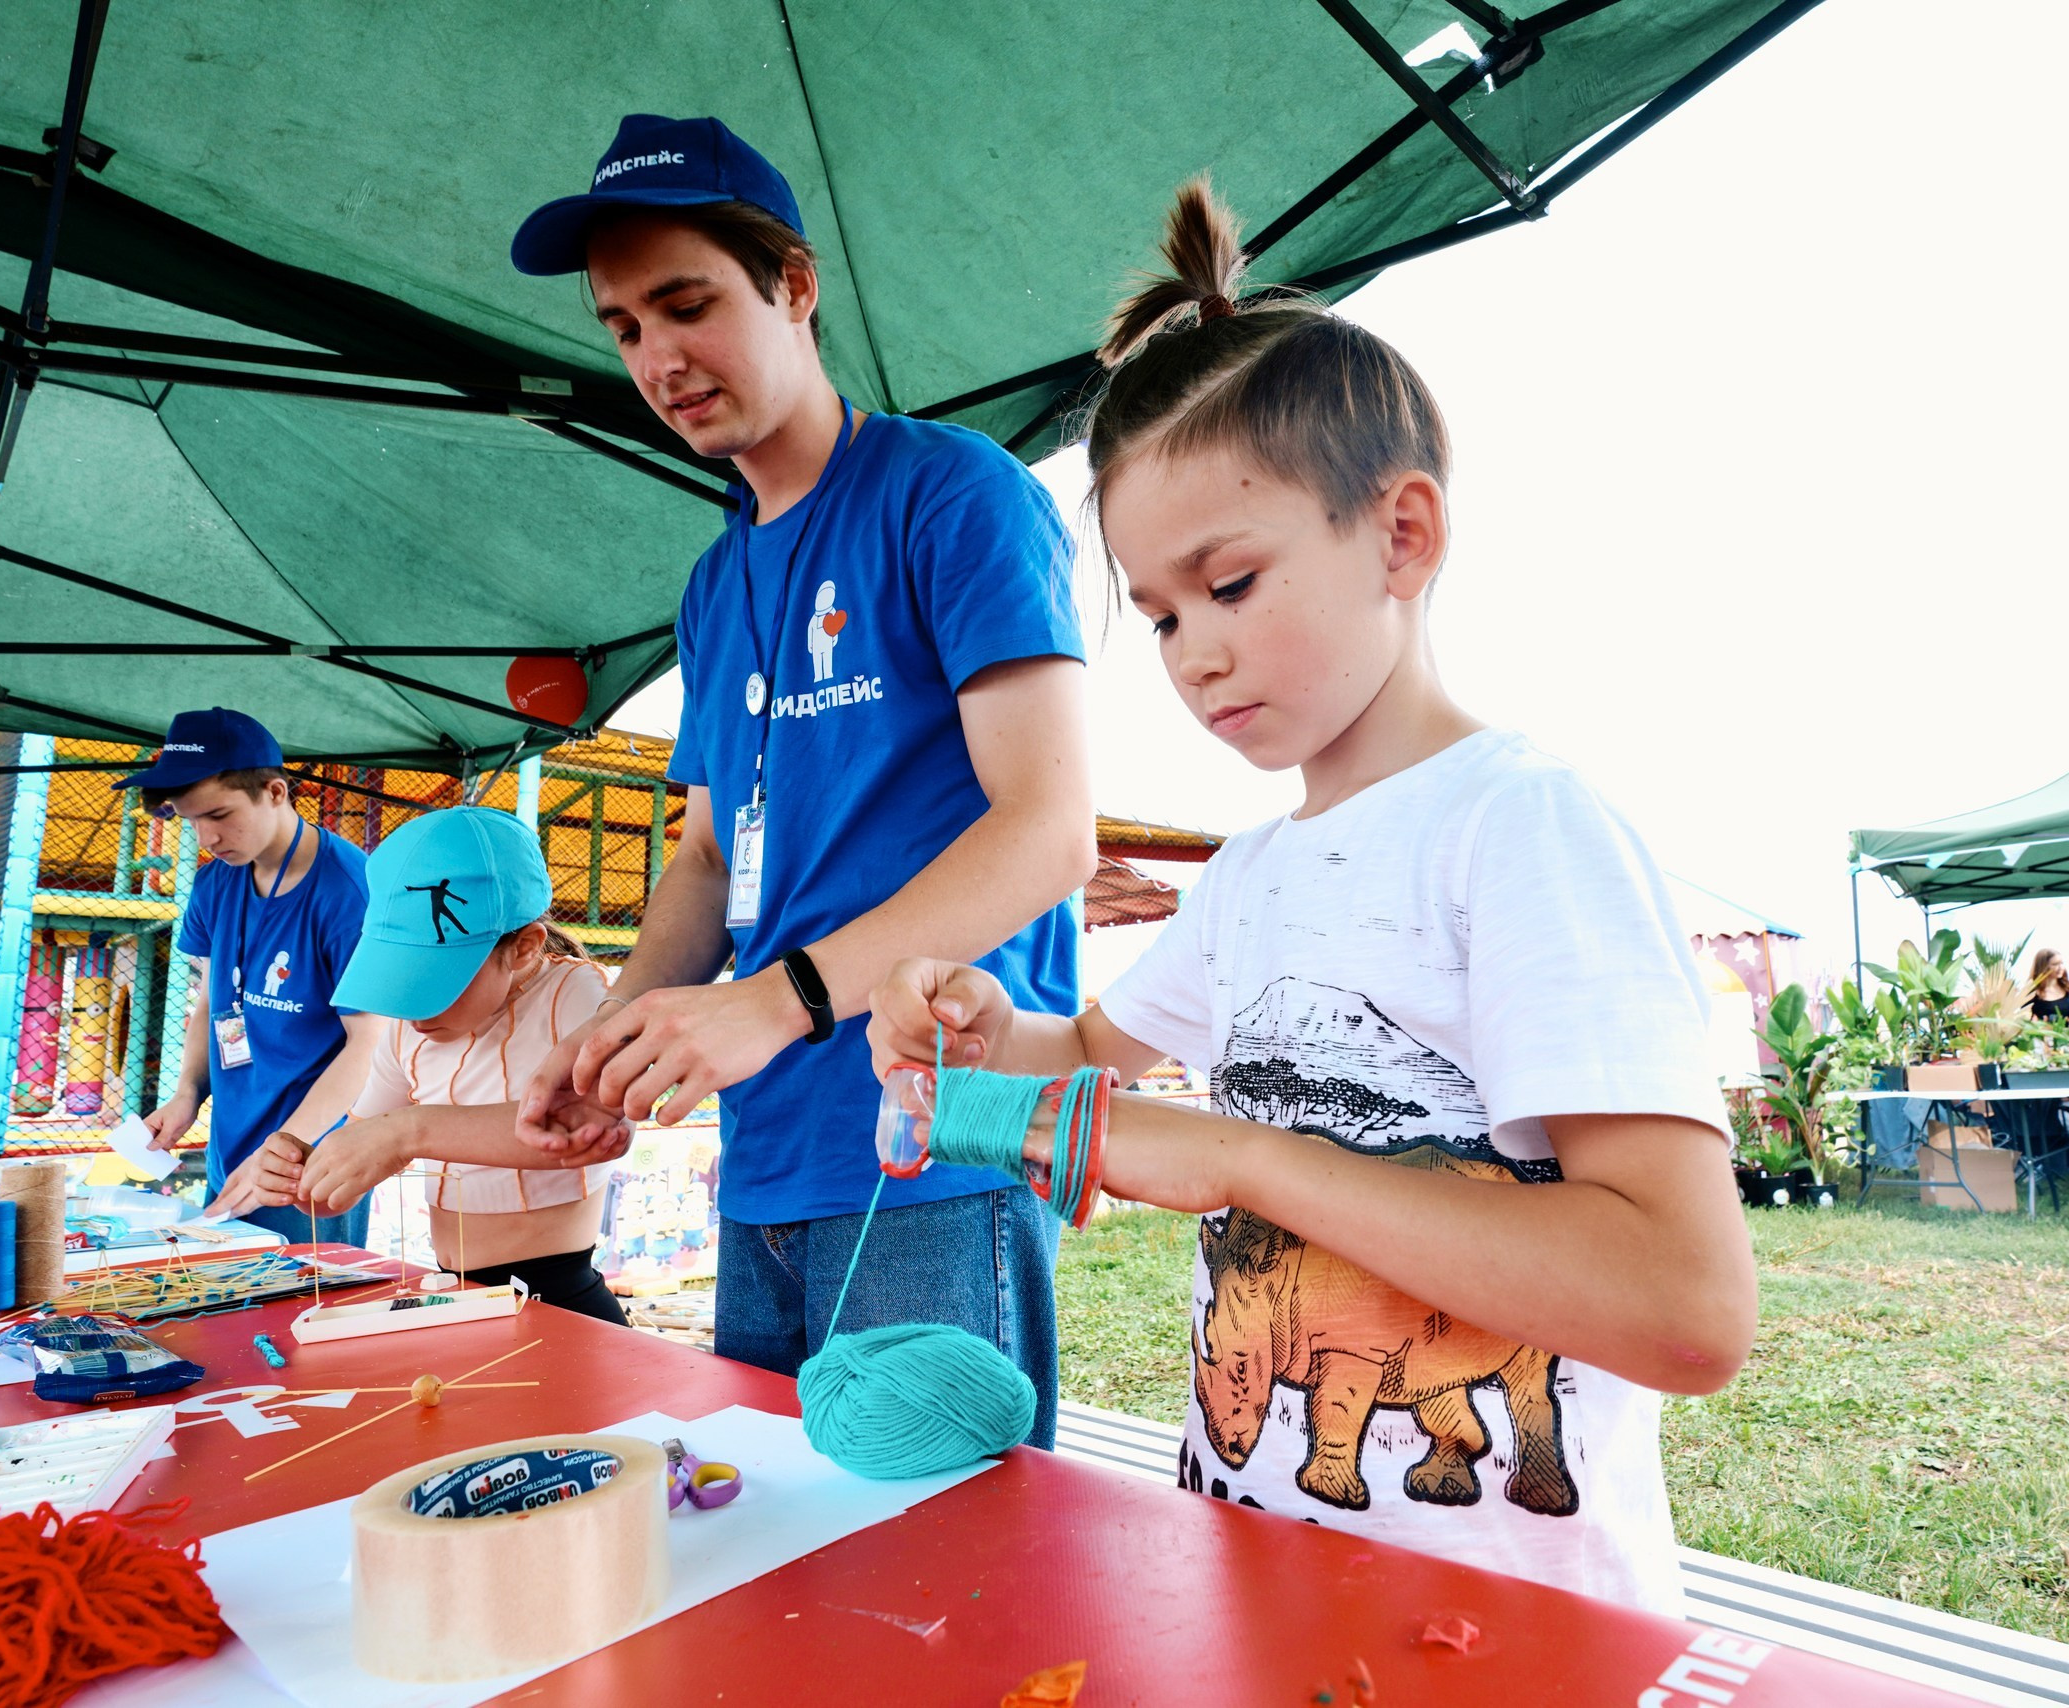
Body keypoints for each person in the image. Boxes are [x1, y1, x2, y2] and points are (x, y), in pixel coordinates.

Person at [868, 180, 1754, 1613]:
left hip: (1506, 1628)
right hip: (1256, 1575)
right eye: (1157, 615)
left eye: (1230, 583)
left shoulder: (1518, 830)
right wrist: (977, 1023)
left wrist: (1242, 1163)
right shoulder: (1256, 874)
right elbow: (1094, 1057)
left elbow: (1688, 1307)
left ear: (1402, 535)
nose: (1191, 655)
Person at [504, 116, 1096, 1433]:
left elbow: (1051, 832)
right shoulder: (716, 584)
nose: (658, 359)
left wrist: (780, 1002)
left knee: (946, 1595)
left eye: (686, 303)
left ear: (794, 284)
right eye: (621, 327)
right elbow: (710, 859)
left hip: (935, 1147)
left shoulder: (955, 497)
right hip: (763, 1162)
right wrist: (610, 1032)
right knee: (782, 1582)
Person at [207, 808, 635, 1322]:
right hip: (453, 1295)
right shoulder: (406, 1028)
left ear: (522, 949)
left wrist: (408, 1131)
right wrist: (306, 1178)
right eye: (401, 976)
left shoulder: (577, 994)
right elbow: (357, 1163)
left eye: (435, 980)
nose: (414, 1007)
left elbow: (585, 1128)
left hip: (556, 1295)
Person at [126, 709, 386, 1246]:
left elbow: (370, 1046)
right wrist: (186, 1096)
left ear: (274, 792)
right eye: (190, 819)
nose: (206, 837)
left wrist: (286, 1145)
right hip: (231, 1148)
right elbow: (211, 1003)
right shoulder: (213, 884)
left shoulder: (348, 891)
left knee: (296, 1314)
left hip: (307, 1161)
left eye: (219, 814)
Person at [2026, 950, 2069, 1023]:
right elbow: (2025, 1021)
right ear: (2043, 966)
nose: (2061, 967)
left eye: (2062, 963)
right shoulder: (2030, 992)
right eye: (2055, 964)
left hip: (2068, 1033)